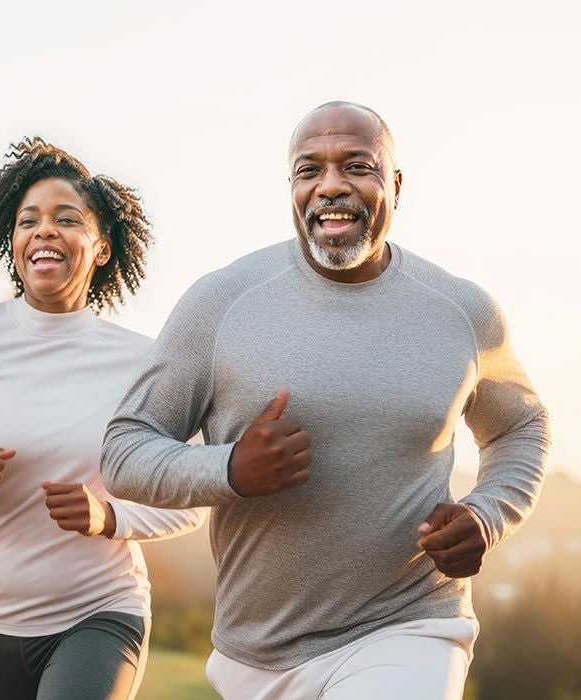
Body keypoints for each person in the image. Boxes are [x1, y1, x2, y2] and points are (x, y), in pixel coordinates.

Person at [100, 102, 551, 699]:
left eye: (357, 166)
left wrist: (486, 515)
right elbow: (124, 451)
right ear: (292, 187)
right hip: (257, 651)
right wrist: (229, 468)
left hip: (411, 623)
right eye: (308, 169)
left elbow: (520, 426)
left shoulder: (460, 311)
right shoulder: (221, 303)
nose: (331, 185)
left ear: (394, 184)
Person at [0, 137, 207, 700]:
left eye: (67, 219)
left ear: (101, 248)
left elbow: (196, 492)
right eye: (29, 220)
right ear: (14, 242)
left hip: (100, 613)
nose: (44, 230)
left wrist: (109, 516)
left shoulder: (143, 360)